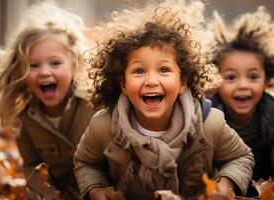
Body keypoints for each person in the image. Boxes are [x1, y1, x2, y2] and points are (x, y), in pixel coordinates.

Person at [73, 1, 254, 199]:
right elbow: (86, 162)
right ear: (123, 84)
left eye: (164, 70)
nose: (151, 81)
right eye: (139, 71)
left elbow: (241, 157)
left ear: (182, 81)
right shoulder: (104, 126)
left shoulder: (209, 124)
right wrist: (96, 189)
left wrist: (225, 183)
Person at [0, 2, 96, 197]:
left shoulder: (93, 105)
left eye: (55, 63)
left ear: (74, 67)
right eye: (34, 65)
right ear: (21, 71)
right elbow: (32, 167)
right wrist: (49, 195)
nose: (45, 72)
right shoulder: (26, 119)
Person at [208, 6, 274, 199]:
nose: (243, 85)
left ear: (267, 79)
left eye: (253, 77)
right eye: (231, 77)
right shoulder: (208, 114)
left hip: (272, 193)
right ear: (216, 80)